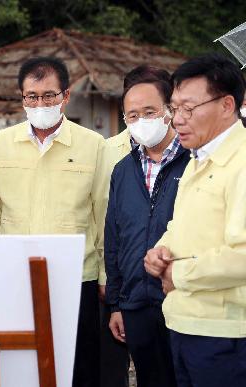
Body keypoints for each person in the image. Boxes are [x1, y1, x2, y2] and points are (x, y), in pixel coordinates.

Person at [0, 57, 107, 387]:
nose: (40, 104)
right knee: (21, 366)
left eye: (49, 95)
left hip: (77, 279)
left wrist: (108, 276)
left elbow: (104, 215)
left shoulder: (93, 145)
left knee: (80, 368)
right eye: (32, 96)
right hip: (14, 277)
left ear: (66, 95)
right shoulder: (0, 144)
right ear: (21, 97)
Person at [144, 53, 246, 387]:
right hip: (184, 323)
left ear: (227, 105)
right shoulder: (197, 159)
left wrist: (179, 273)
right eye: (174, 108)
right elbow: (181, 227)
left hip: (226, 333)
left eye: (189, 108)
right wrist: (159, 252)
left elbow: (243, 255)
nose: (178, 120)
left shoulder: (241, 162)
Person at [105, 65, 186, 387]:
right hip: (136, 304)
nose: (142, 121)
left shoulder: (194, 161)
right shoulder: (123, 169)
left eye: (149, 111)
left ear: (169, 110)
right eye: (132, 115)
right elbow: (114, 237)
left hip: (180, 298)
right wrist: (116, 304)